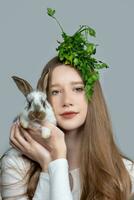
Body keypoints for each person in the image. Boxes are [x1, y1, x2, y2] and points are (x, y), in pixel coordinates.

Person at [1, 8, 134, 200]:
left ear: (92, 97)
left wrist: (54, 161)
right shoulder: (16, 166)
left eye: (78, 89)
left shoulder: (124, 174)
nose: (67, 101)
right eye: (55, 92)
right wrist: (50, 163)